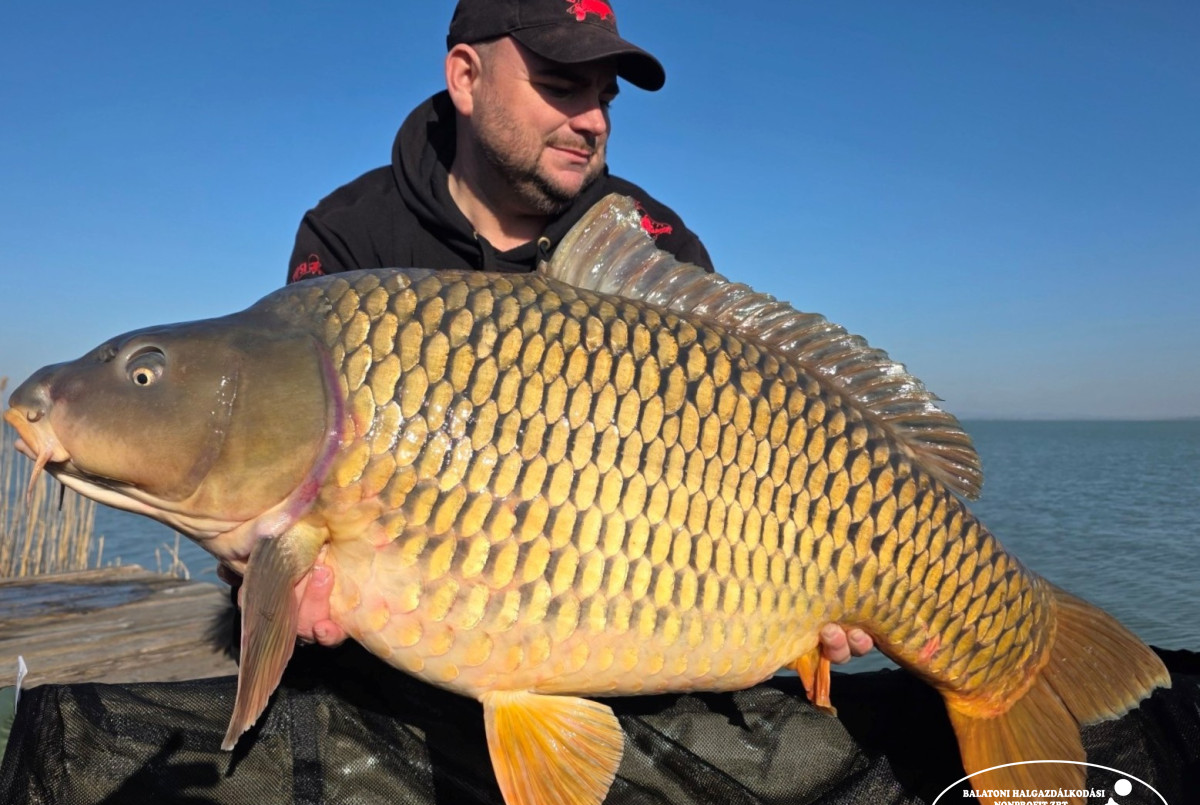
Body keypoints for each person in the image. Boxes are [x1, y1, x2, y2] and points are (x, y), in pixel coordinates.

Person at [276, 0, 873, 665]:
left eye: (605, 98)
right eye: (562, 87)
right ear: (466, 77)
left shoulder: (654, 244)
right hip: (412, 647)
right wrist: (280, 578)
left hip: (622, 611)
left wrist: (801, 582)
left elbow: (733, 454)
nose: (593, 121)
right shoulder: (352, 234)